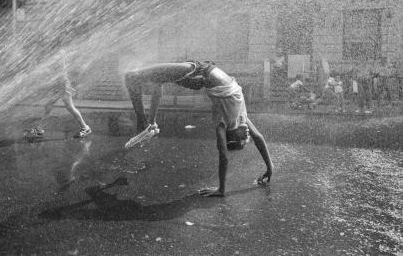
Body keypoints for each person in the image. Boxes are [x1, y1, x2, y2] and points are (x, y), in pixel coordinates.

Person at [124, 61, 274, 197]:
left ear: (233, 135)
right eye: (246, 139)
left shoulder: (224, 124)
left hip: (198, 72)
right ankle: (150, 124)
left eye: (243, 139)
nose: (247, 136)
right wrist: (269, 168)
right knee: (157, 80)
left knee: (131, 77)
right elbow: (259, 138)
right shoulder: (242, 120)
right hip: (200, 73)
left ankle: (143, 124)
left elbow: (223, 156)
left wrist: (221, 189)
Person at [26, 50, 91, 139]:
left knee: (69, 107)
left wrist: (66, 87)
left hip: (62, 85)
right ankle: (39, 129)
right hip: (59, 85)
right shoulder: (55, 53)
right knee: (50, 106)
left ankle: (85, 128)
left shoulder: (59, 54)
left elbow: (62, 72)